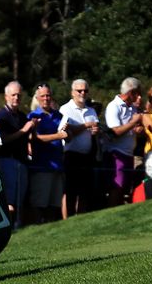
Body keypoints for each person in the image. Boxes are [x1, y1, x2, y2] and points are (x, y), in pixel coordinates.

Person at [0, 81, 37, 227]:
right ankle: (7, 228)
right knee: (9, 198)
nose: (16, 98)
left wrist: (32, 128)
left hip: (21, 161)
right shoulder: (1, 116)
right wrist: (23, 130)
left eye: (19, 95)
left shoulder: (22, 116)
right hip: (7, 160)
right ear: (6, 96)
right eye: (13, 95)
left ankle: (18, 226)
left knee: (20, 198)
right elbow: (3, 141)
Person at [27, 83, 68, 224]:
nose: (46, 98)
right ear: (37, 98)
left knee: (54, 204)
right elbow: (35, 138)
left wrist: (69, 133)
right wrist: (58, 136)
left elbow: (66, 135)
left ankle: (49, 231)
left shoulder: (59, 115)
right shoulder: (33, 116)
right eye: (43, 96)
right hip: (42, 166)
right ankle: (38, 230)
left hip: (57, 165)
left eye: (48, 95)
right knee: (40, 203)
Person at [58, 79, 99, 217]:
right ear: (72, 92)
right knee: (70, 191)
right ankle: (67, 220)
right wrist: (86, 126)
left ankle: (80, 220)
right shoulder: (65, 109)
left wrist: (95, 132)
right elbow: (65, 133)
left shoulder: (91, 110)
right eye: (79, 90)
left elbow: (95, 131)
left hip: (87, 155)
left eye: (85, 90)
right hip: (71, 155)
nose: (83, 93)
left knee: (84, 191)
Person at [103, 77, 143, 206]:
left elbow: (131, 127)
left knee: (125, 188)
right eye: (137, 92)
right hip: (116, 154)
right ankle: (112, 216)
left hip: (128, 154)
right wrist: (132, 123)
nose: (139, 96)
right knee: (117, 187)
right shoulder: (113, 107)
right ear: (131, 92)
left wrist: (137, 128)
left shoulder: (132, 108)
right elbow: (115, 132)